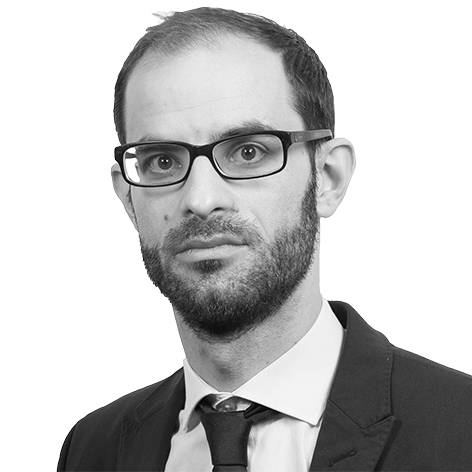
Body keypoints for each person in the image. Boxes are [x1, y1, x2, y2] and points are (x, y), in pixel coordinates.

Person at [58, 7, 472, 471]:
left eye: (248, 151)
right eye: (162, 161)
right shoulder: (91, 449)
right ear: (129, 199)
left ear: (328, 177)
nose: (202, 199)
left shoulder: (462, 430)